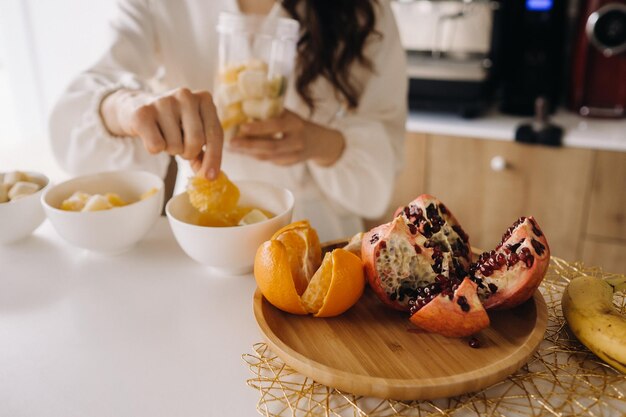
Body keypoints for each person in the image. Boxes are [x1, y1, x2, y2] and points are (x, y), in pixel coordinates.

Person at [49, 0, 407, 241]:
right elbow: (84, 103)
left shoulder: (365, 12)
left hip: (319, 237)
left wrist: (322, 143)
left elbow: (382, 171)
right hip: (198, 234)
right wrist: (127, 107)